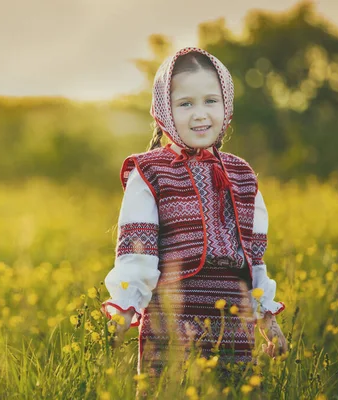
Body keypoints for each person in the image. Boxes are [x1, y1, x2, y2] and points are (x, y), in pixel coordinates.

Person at [100, 47, 288, 387]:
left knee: (233, 392)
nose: (200, 114)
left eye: (210, 101)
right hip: (171, 317)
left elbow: (254, 259)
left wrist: (267, 317)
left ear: (226, 105)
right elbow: (137, 250)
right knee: (169, 389)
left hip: (234, 319)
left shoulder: (242, 174)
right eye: (186, 104)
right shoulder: (150, 171)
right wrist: (124, 308)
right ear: (164, 110)